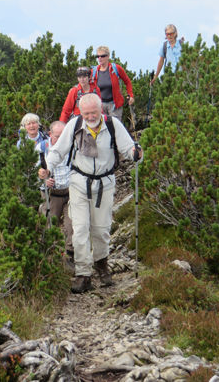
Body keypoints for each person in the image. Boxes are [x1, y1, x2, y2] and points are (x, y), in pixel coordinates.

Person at [39, 93, 143, 293]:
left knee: (101, 229)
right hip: (79, 183)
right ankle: (83, 274)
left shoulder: (112, 125)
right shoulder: (75, 124)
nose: (90, 117)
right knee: (80, 229)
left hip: (105, 183)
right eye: (86, 113)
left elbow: (129, 148)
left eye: (93, 112)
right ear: (81, 112)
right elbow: (58, 151)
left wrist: (136, 153)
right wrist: (48, 168)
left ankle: (101, 265)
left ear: (100, 109)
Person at [36, 121, 74, 272]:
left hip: (71, 192)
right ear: (50, 134)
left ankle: (70, 256)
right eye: (58, 136)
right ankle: (51, 256)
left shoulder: (73, 145)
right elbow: (31, 171)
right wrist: (43, 179)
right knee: (50, 225)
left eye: (64, 135)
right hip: (52, 194)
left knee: (73, 225)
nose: (61, 139)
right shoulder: (41, 148)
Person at [90, 46, 134, 122]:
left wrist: (130, 95)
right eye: (98, 56)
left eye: (102, 56)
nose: (100, 58)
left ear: (108, 56)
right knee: (102, 127)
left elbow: (127, 81)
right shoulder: (94, 71)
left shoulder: (116, 68)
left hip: (114, 105)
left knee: (114, 127)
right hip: (100, 106)